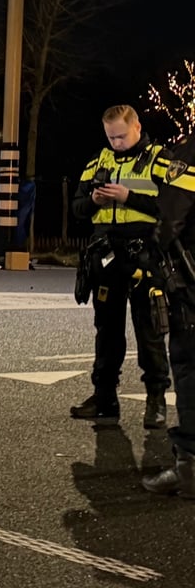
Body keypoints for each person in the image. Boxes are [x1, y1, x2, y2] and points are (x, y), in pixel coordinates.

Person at [69, 104, 171, 428]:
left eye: (122, 136)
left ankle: (156, 401)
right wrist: (94, 202)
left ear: (137, 128)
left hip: (144, 255)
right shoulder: (97, 162)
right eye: (111, 137)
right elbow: (77, 208)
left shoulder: (160, 160)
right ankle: (104, 398)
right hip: (106, 256)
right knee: (107, 331)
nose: (116, 143)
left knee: (149, 331)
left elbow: (175, 206)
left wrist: (129, 197)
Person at [142, 133, 195, 496]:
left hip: (192, 281)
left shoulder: (191, 151)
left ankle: (190, 467)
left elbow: (171, 215)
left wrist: (154, 258)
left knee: (190, 365)